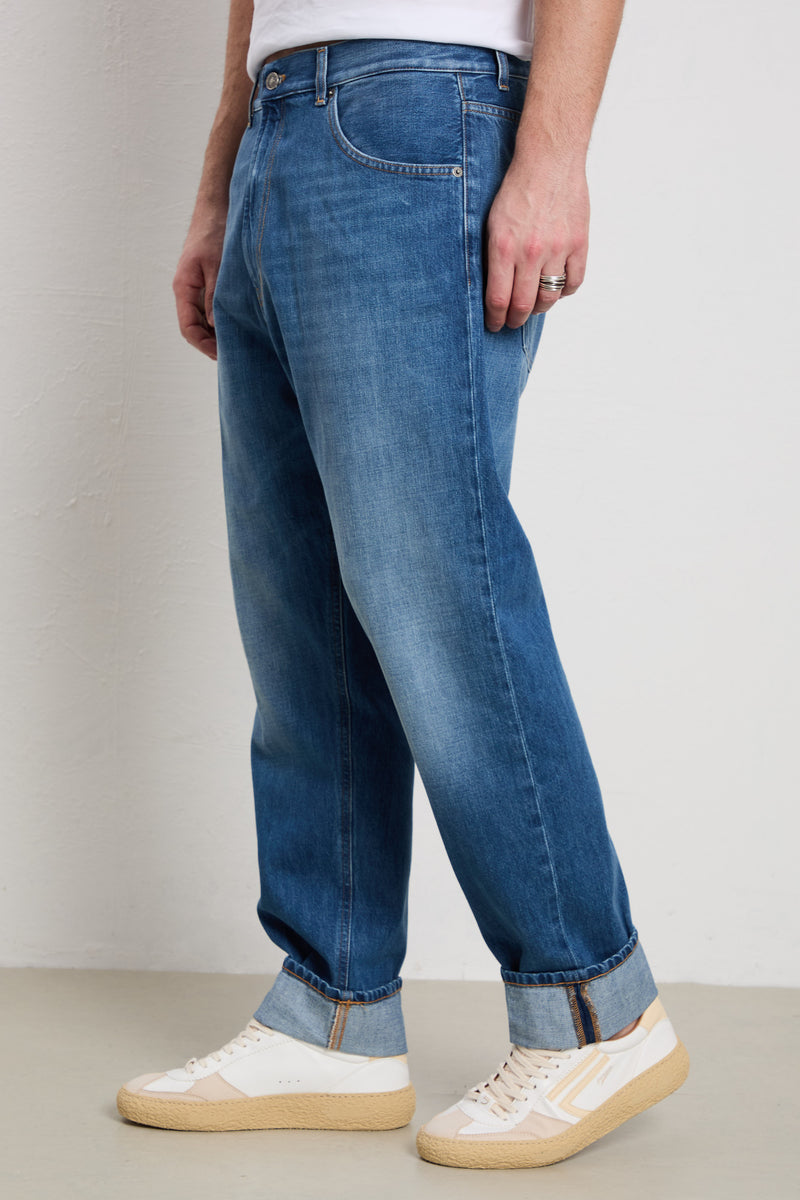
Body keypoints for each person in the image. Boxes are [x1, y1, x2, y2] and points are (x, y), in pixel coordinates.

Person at [116, 0, 689, 1169]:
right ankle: (333, 1016)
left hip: (423, 107)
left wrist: (552, 157)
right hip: (282, 124)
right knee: (298, 612)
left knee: (433, 585)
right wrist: (223, 176)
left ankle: (592, 1009)